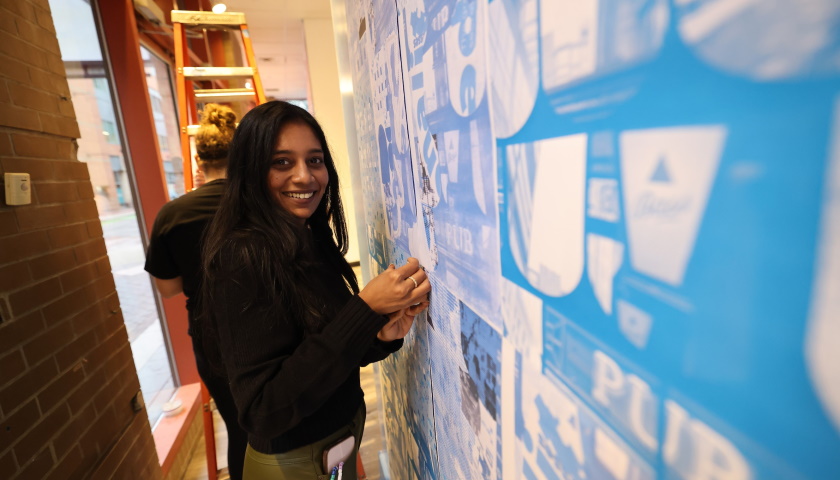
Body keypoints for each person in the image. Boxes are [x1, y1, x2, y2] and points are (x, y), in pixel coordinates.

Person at [198, 100, 430, 480]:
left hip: (335, 449)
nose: (305, 176)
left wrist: (378, 334)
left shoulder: (306, 240)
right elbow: (263, 409)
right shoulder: (242, 257)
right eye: (282, 162)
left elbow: (320, 351)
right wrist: (364, 309)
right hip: (294, 465)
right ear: (251, 171)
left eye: (315, 160)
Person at [144, 103, 247, 480]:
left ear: (199, 161)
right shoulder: (261, 203)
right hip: (273, 329)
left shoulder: (173, 215)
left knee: (239, 430)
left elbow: (168, 288)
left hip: (213, 339)